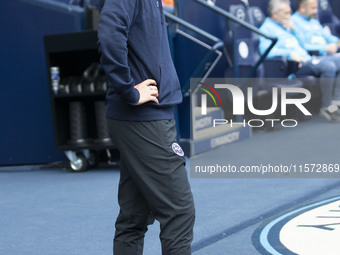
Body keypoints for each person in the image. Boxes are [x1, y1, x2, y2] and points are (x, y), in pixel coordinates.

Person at [97, 1, 195, 255]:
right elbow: (109, 35)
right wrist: (128, 90)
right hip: (144, 120)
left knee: (133, 218)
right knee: (179, 212)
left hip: (143, 119)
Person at [259, 0, 340, 122]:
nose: (289, 16)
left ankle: (336, 102)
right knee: (329, 66)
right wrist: (289, 54)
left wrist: (294, 30)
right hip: (294, 66)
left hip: (308, 58)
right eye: (286, 13)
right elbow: (265, 51)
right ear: (275, 14)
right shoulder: (267, 28)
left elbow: (304, 45)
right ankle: (326, 107)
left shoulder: (287, 25)